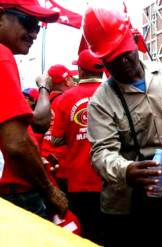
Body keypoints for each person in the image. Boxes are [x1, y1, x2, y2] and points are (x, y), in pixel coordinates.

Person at [83, 4, 162, 247]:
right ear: (103, 61)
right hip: (126, 201)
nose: (124, 62)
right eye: (113, 60)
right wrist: (126, 170)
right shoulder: (101, 102)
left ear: (134, 41)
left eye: (126, 53)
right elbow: (101, 154)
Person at [0, 0, 67, 218]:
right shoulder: (2, 55)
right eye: (28, 22)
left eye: (37, 26)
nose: (34, 33)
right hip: (18, 193)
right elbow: (16, 144)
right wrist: (49, 191)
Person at [50, 49, 104, 244]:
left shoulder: (65, 98)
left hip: (78, 180)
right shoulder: (114, 93)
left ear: (80, 71)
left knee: (84, 234)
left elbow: (55, 139)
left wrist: (76, 134)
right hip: (111, 178)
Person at [40, 64, 74, 192]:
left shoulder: (44, 102)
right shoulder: (67, 100)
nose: (73, 81)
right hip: (63, 164)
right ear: (66, 80)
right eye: (71, 78)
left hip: (47, 160)